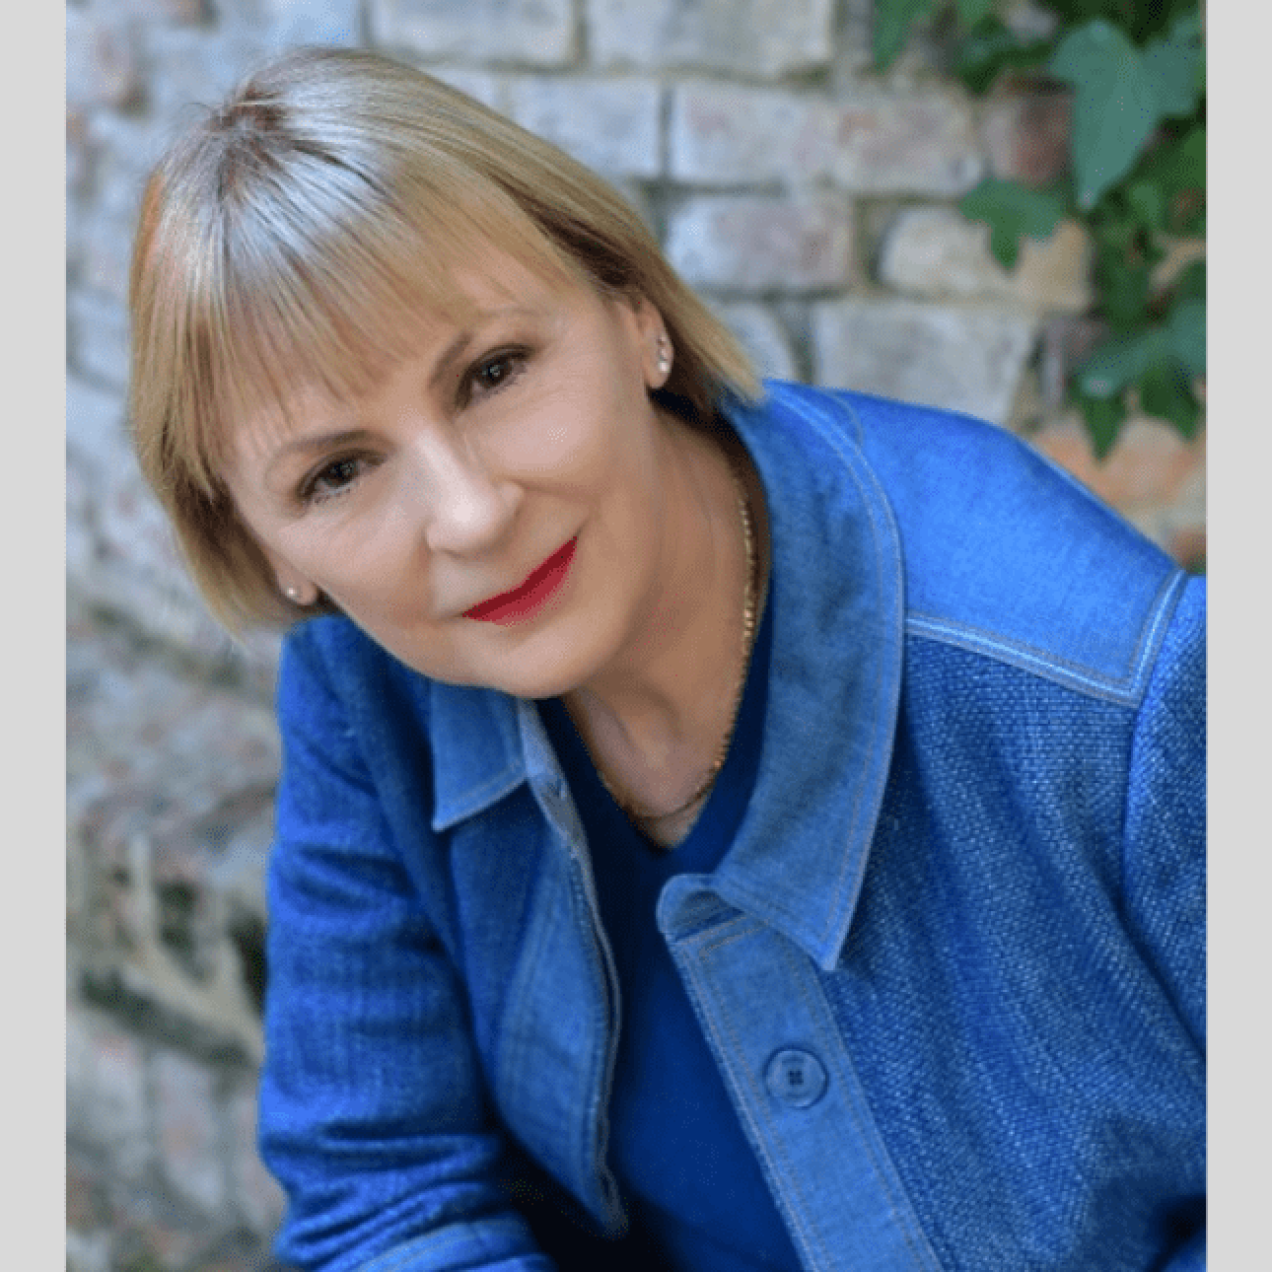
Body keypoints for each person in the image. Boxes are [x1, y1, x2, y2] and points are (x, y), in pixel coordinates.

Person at [128, 46, 1205, 1272]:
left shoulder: (1109, 691)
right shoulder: (370, 682)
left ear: (634, 312)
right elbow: (386, 1195)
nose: (470, 516)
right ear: (268, 551)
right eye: (337, 473)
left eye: (494, 373)